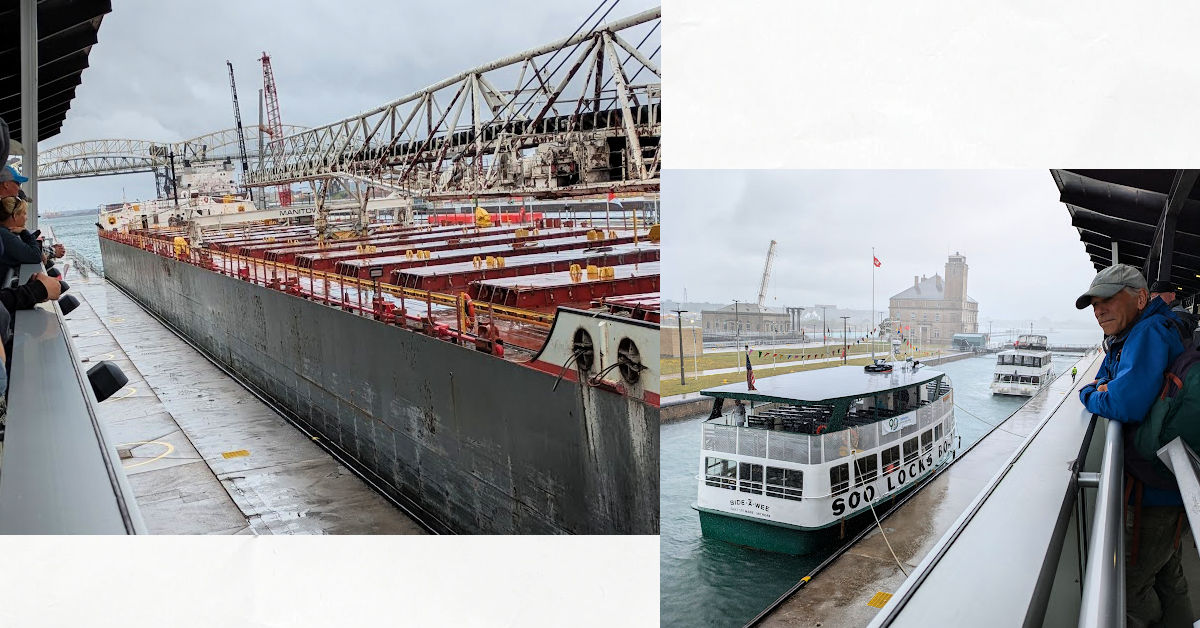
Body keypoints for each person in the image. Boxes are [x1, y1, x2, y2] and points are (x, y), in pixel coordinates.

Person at [1076, 264, 1189, 627]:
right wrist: (1107, 386)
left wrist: (1088, 391)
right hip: (1169, 480)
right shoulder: (1138, 331)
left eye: (1108, 299)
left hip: (1154, 493)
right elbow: (1113, 376)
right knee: (1169, 576)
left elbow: (1123, 403)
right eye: (1094, 304)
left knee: (1129, 589)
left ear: (1140, 298)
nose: (1099, 310)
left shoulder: (1148, 333)